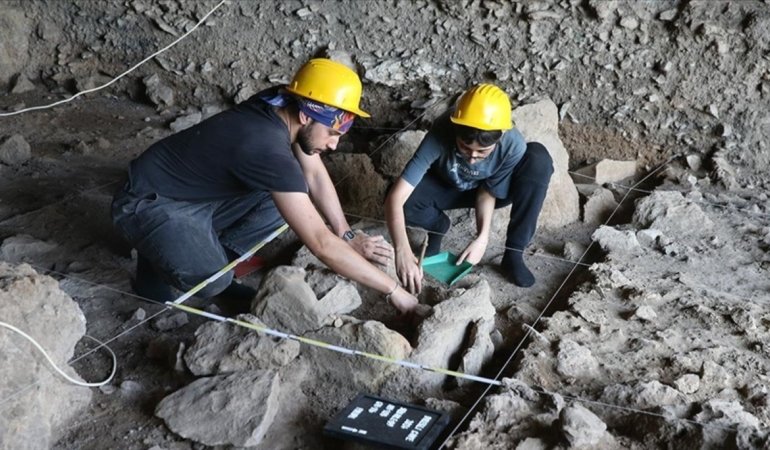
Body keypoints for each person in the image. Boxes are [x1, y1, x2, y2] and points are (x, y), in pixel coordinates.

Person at [112, 58, 419, 315]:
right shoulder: (265, 148)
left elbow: (312, 173)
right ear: (305, 115)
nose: (335, 145)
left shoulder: (281, 102)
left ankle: (202, 252)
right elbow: (321, 244)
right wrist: (394, 291)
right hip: (148, 202)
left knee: (285, 197)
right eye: (332, 132)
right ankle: (161, 258)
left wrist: (347, 234)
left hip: (192, 189)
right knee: (213, 281)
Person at [385, 83, 553, 294]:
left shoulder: (512, 144)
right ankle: (437, 226)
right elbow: (396, 197)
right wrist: (402, 250)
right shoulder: (442, 129)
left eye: (482, 152)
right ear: (455, 130)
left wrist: (482, 238)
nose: (473, 159)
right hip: (447, 184)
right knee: (403, 201)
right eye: (465, 147)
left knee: (539, 159)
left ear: (500, 136)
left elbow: (488, 190)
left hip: (486, 191)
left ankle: (513, 254)